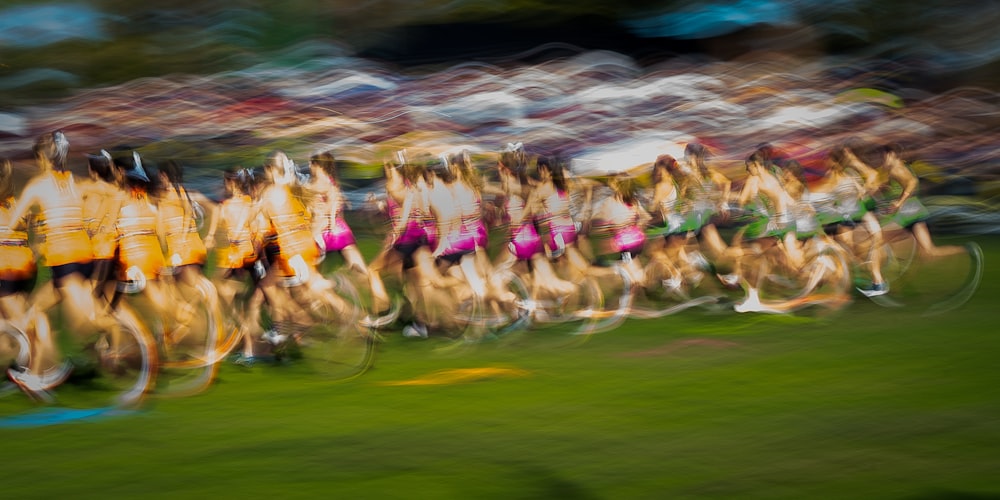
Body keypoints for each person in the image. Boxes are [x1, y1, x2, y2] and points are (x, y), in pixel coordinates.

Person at [304, 151, 392, 321]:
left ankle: (329, 304)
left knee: (312, 276)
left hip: (325, 233)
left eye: (311, 164)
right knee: (360, 269)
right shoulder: (330, 181)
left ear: (318, 165)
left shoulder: (318, 183)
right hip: (341, 231)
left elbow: (312, 195)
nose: (309, 167)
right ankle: (383, 304)